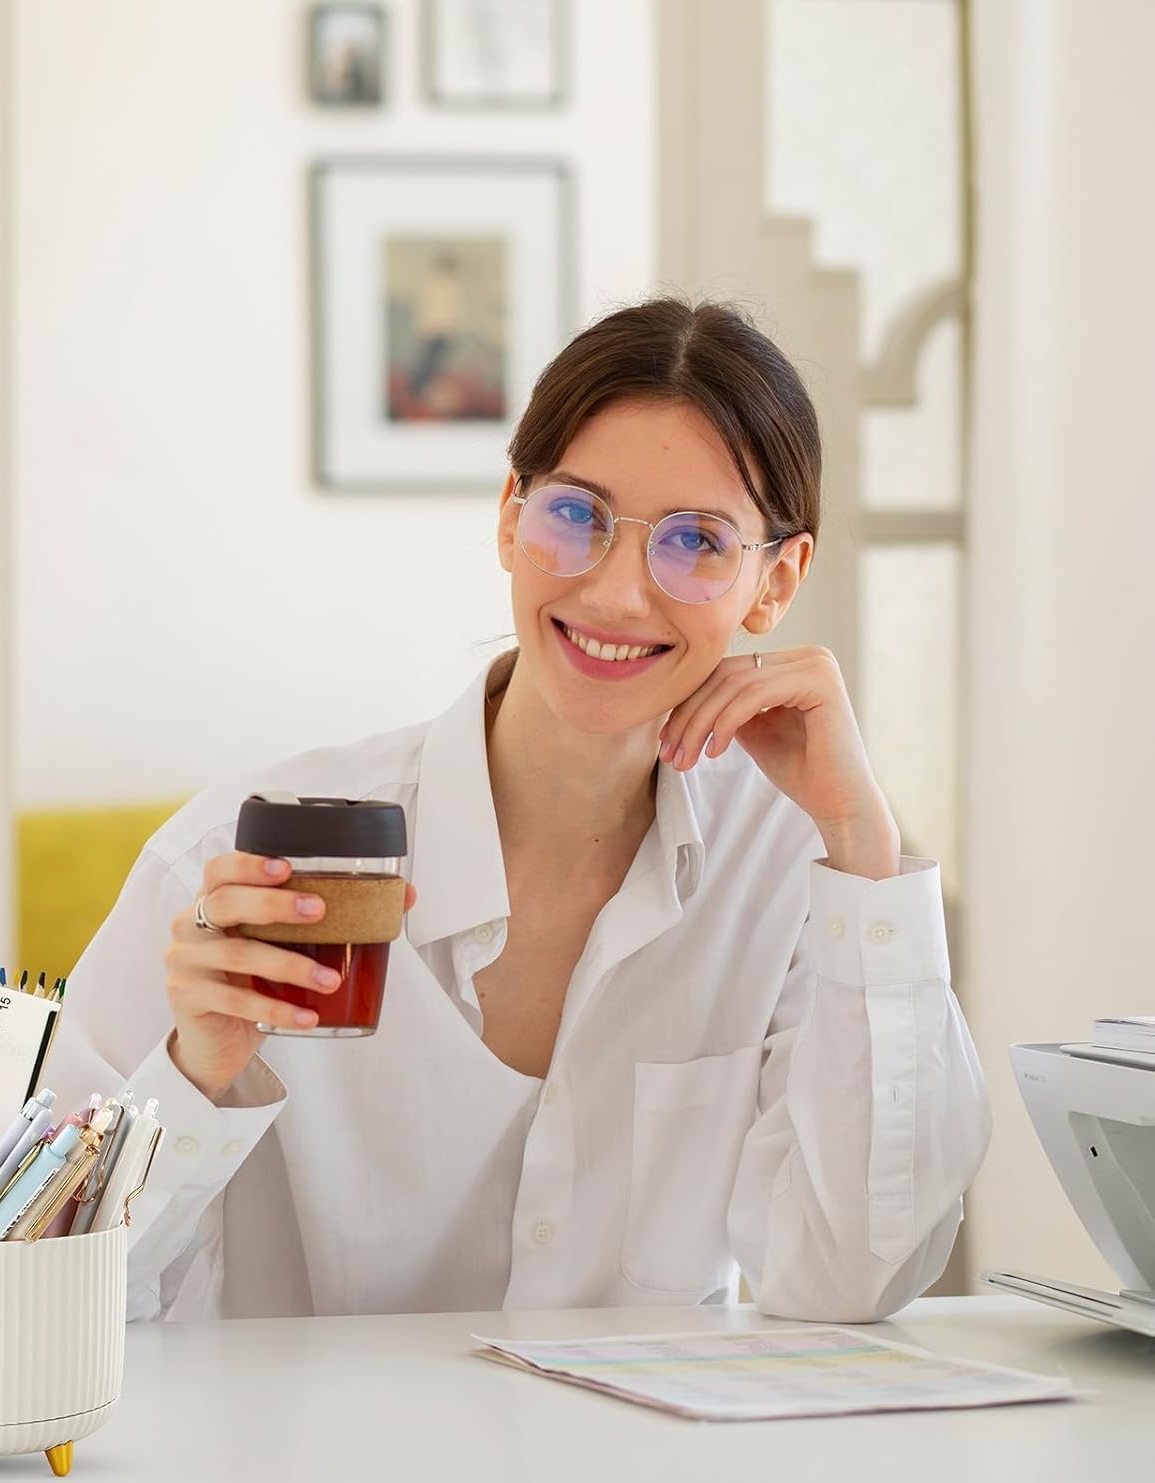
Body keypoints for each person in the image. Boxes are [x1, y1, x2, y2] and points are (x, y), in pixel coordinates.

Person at [48, 296, 991, 1323]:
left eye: (698, 542)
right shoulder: (228, 875)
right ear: (510, 517)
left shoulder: (791, 867)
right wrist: (196, 1077)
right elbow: (44, 1300)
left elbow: (855, 1276)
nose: (620, 595)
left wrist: (863, 843)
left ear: (777, 581)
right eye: (577, 516)